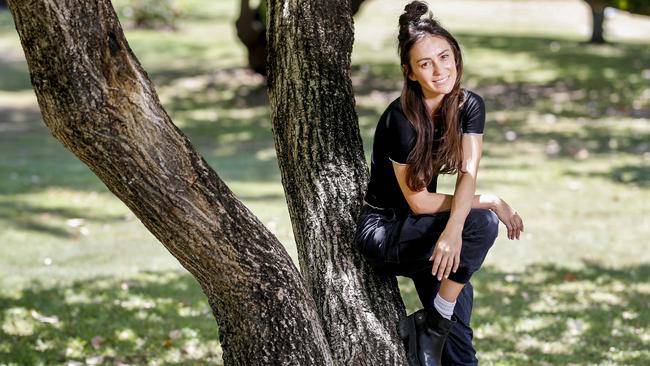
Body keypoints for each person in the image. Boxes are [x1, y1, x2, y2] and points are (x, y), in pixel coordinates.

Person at [353, 1, 524, 365]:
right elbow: (419, 204)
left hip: (432, 233)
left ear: (456, 57)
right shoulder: (400, 119)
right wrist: (487, 203)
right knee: (482, 221)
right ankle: (435, 320)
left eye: (445, 57)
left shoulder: (469, 105)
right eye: (425, 63)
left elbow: (468, 172)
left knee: (459, 344)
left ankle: (436, 320)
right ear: (410, 72)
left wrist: (454, 228)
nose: (439, 70)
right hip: (387, 231)